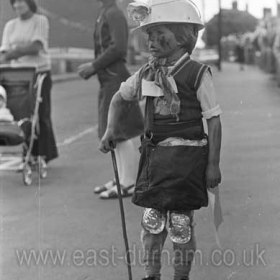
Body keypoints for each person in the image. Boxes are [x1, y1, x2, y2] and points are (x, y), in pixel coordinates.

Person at [100, 0, 222, 279]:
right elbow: (119, 98)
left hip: (187, 163)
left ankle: (181, 276)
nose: (151, 42)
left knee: (180, 225)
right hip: (155, 161)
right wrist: (110, 130)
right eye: (149, 36)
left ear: (183, 36)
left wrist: (213, 164)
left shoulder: (197, 74)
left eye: (159, 34)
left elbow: (213, 121)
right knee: (152, 223)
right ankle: (151, 275)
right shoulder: (147, 72)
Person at [78, 0, 141, 199]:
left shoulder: (113, 13)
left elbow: (119, 48)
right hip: (108, 78)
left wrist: (94, 66)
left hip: (114, 77)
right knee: (114, 131)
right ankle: (122, 178)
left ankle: (128, 182)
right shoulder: (105, 11)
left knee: (118, 130)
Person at [0, 0, 58, 163]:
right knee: (19, 113)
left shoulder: (40, 21)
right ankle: (26, 152)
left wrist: (15, 51)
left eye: (21, 2)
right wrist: (18, 52)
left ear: (29, 3)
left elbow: (36, 46)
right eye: (15, 2)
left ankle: (43, 154)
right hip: (17, 75)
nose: (18, 5)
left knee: (41, 114)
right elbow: (4, 53)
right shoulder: (10, 25)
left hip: (39, 73)